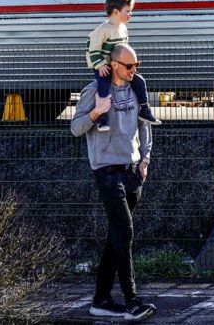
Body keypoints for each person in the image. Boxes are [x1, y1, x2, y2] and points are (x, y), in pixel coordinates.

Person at [71, 43, 157, 321]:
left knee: (116, 237)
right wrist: (97, 112)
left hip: (132, 170)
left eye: (137, 66)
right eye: (129, 66)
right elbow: (75, 128)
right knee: (125, 231)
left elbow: (145, 126)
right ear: (114, 65)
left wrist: (144, 161)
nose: (134, 71)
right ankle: (132, 302)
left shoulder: (136, 90)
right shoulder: (94, 91)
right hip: (107, 170)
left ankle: (101, 300)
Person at [86, 0, 161, 131]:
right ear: (115, 12)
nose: (130, 14)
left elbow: (124, 48)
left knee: (139, 81)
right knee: (104, 86)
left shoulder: (123, 29)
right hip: (105, 66)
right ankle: (103, 118)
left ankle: (145, 110)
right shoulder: (102, 30)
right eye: (127, 11)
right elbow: (93, 49)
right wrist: (101, 65)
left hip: (119, 67)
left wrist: (129, 64)